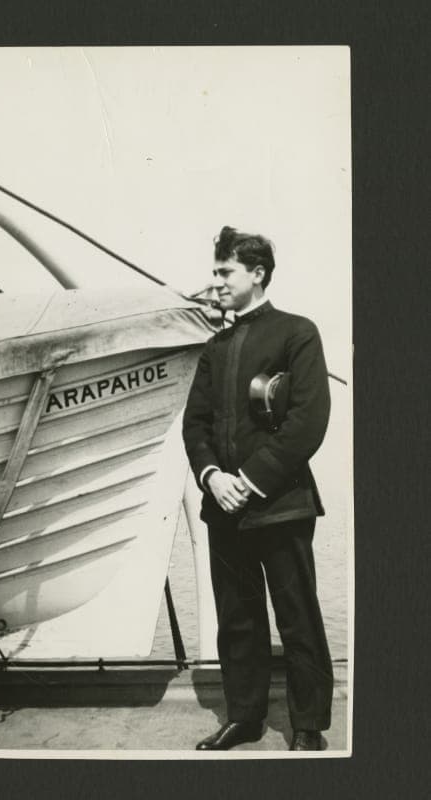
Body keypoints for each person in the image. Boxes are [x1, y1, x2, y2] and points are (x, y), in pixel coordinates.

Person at [182, 227, 333, 751]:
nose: (217, 282)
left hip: (281, 505)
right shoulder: (215, 347)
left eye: (225, 273)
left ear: (258, 273)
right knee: (238, 619)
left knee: (297, 617)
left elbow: (308, 422)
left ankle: (308, 725)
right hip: (223, 507)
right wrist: (213, 478)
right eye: (217, 272)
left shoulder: (297, 333)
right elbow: (195, 424)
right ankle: (244, 718)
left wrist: (247, 481)